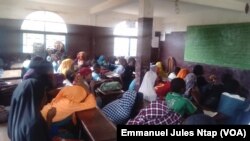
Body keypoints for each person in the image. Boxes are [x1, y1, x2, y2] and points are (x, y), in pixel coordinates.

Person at [8, 57, 55, 141]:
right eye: (43, 94)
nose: (46, 98)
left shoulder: (17, 117)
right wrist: (49, 119)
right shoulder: (33, 124)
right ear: (36, 97)